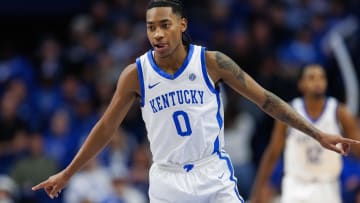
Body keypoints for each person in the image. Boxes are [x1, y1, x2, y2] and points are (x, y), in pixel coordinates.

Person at [32, 1, 360, 202]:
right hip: (166, 180)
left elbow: (267, 100)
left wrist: (318, 134)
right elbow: (105, 128)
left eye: (164, 25)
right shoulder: (136, 74)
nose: (157, 34)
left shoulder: (212, 62)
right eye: (150, 28)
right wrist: (68, 173)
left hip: (211, 173)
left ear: (182, 25)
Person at [250, 64, 360, 203]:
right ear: (301, 84)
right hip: (296, 185)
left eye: (321, 77)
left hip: (328, 186)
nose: (318, 81)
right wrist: (258, 190)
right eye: (311, 77)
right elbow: (273, 152)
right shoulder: (288, 112)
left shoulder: (339, 112)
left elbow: (358, 149)